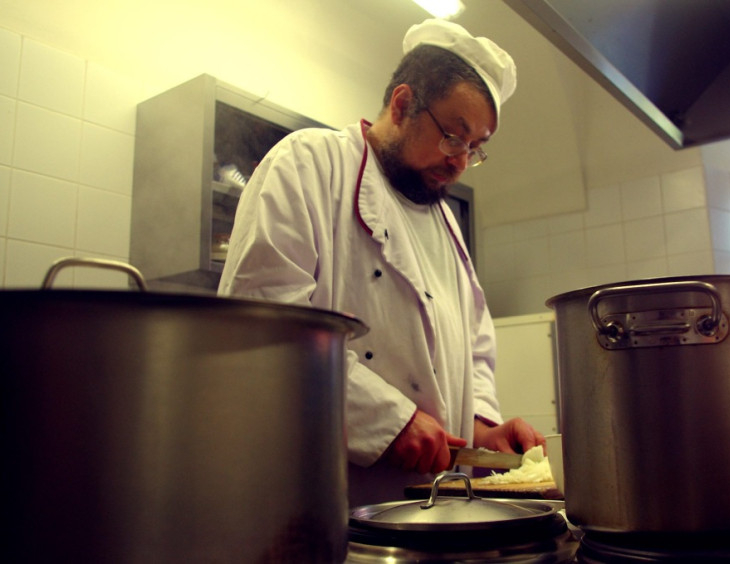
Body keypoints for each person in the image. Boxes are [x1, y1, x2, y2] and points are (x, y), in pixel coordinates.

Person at [218, 18, 544, 507]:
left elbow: (473, 348)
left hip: (429, 512)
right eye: (454, 137)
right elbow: (264, 329)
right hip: (323, 505)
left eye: (476, 148)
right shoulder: (308, 164)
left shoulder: (446, 222)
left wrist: (482, 427)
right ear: (402, 104)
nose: (460, 161)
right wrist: (388, 421)